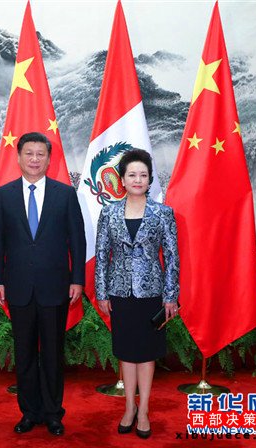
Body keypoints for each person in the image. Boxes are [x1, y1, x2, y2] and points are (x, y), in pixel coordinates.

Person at [0, 132, 86, 436]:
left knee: (53, 353)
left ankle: (53, 413)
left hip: (55, 286)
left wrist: (78, 279)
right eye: (29, 154)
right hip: (18, 287)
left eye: (40, 154)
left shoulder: (64, 194)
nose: (34, 159)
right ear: (18, 157)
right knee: (25, 353)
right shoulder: (4, 195)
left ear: (49, 159)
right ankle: (29, 412)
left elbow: (77, 239)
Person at [95, 149, 180, 439]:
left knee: (146, 353)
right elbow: (101, 254)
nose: (138, 179)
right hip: (119, 293)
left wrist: (171, 296)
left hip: (151, 293)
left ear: (149, 179)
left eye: (143, 175)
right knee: (127, 352)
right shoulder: (109, 212)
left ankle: (143, 410)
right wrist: (101, 292)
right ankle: (129, 407)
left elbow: (172, 256)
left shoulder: (163, 213)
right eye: (132, 174)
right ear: (122, 179)